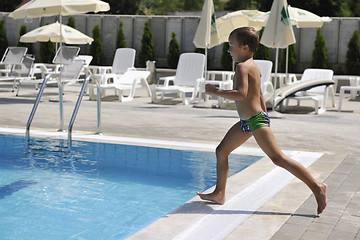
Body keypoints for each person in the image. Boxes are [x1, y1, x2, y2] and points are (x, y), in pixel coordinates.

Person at [196, 27, 327, 214]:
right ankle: (219, 193)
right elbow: (257, 94)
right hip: (248, 122)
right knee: (221, 151)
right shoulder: (253, 65)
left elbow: (241, 94)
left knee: (278, 158)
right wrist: (264, 113)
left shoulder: (242, 67)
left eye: (231, 46)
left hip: (254, 121)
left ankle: (317, 187)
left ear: (245, 47)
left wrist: (215, 91)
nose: (228, 50)